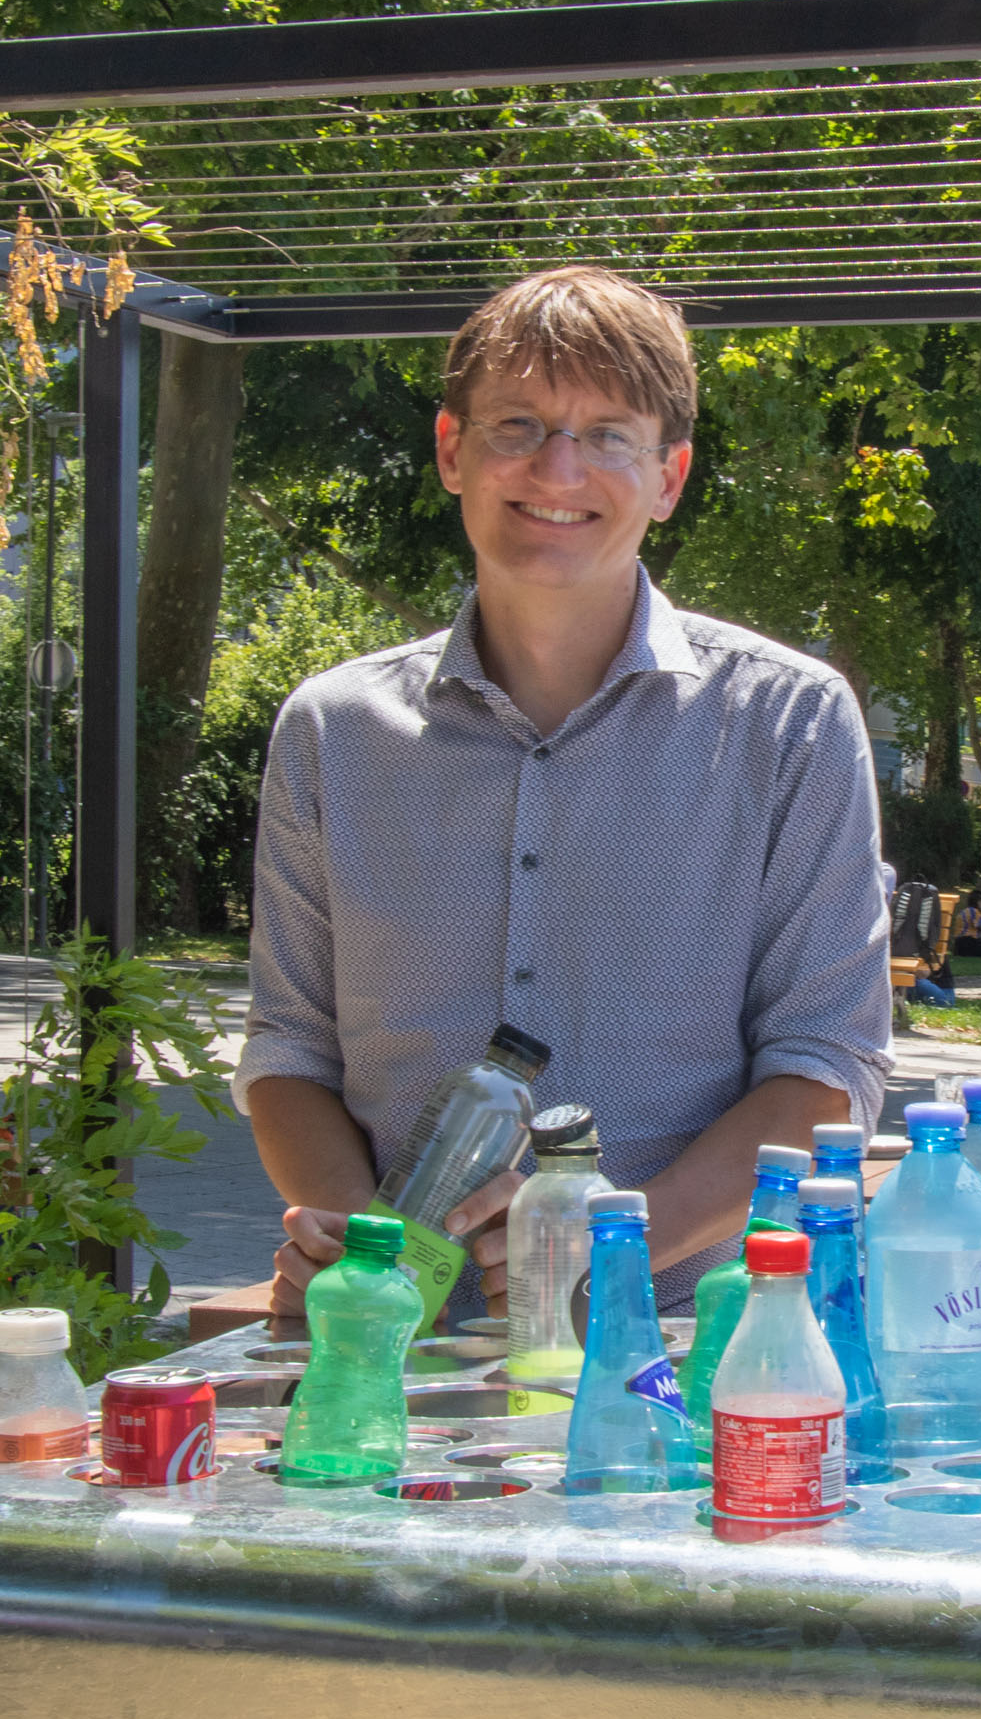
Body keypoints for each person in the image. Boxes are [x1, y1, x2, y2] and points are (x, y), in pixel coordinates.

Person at [240, 266, 895, 1314]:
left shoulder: (790, 723)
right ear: (452, 450)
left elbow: (827, 1068)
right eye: (519, 424)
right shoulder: (332, 732)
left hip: (685, 1340)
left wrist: (609, 1247)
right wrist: (376, 1271)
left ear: (670, 475)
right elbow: (287, 1052)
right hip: (395, 1345)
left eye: (609, 434)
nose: (558, 465)